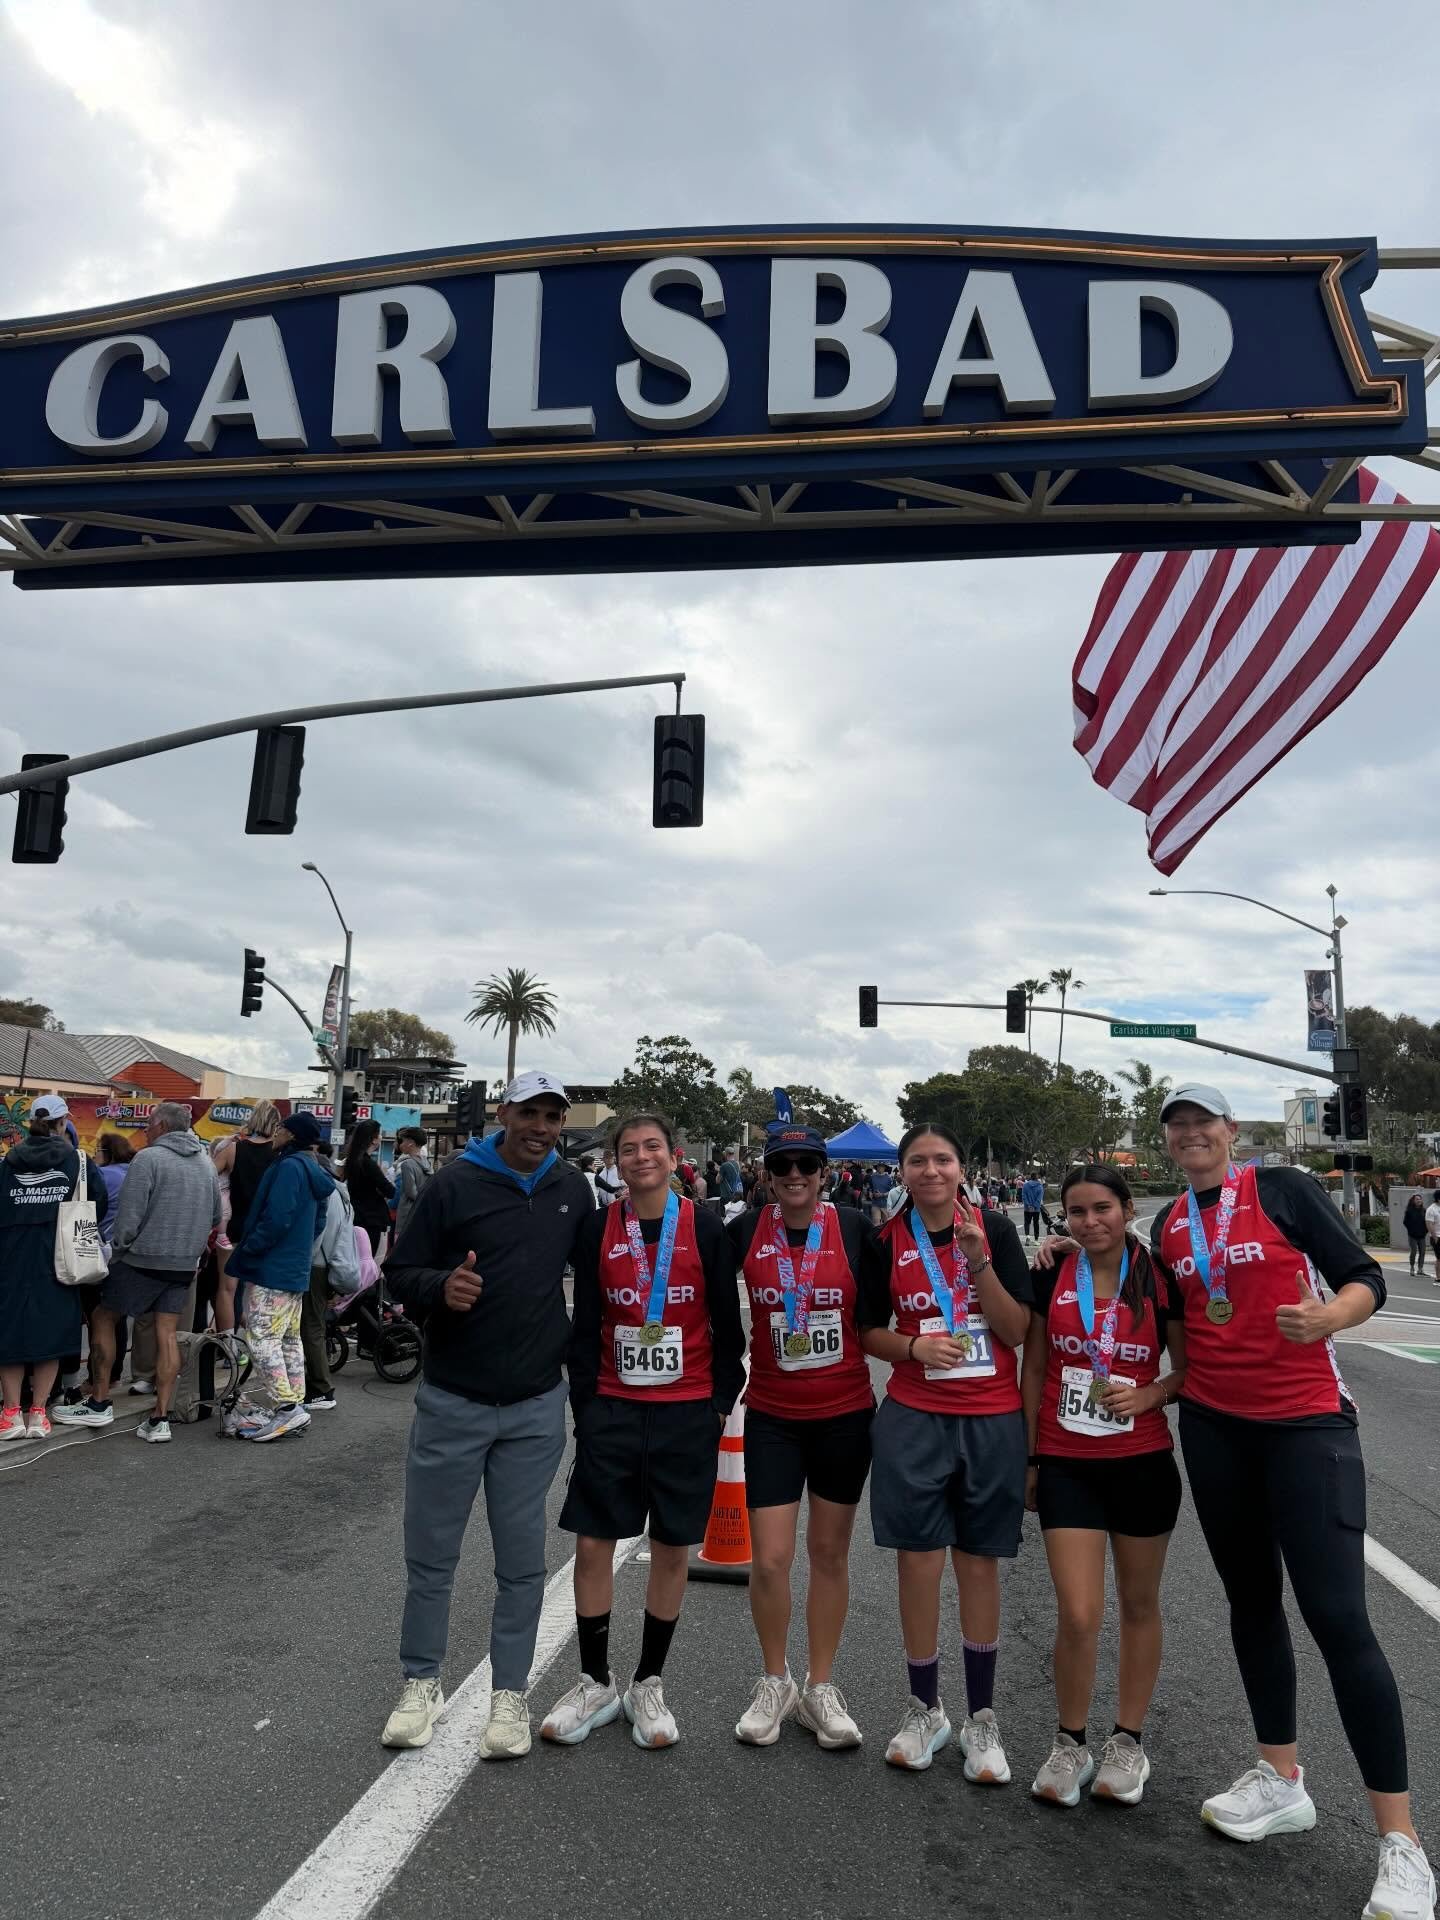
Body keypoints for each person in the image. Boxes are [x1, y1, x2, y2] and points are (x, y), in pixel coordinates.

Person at [1151, 1084, 1432, 1920]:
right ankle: (1281, 1778)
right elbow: (1172, 1318)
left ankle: (1403, 1842)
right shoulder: (1169, 1225)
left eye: (1205, 1121)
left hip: (1307, 1428)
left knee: (1340, 1619)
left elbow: (1358, 1276)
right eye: (1178, 1125)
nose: (1193, 1133)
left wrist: (1332, 1317)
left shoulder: (1282, 1189)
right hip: (1214, 1430)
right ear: (1167, 1142)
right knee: (1250, 1604)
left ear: (1232, 1131)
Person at [382, 1072, 593, 1760]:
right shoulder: (454, 1184)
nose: (540, 1127)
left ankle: (510, 1695)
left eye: (552, 1118)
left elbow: (595, 1284)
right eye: (529, 1113)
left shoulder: (571, 1190)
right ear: (504, 1114)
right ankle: (420, 1684)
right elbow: (401, 1273)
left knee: (521, 1562)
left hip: (534, 1404)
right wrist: (442, 1287)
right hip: (453, 1401)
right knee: (432, 1557)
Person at [542, 1112, 743, 1752]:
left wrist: (716, 1402)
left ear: (674, 1155)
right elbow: (587, 1323)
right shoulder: (600, 1227)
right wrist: (589, 1402)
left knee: (673, 1546)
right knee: (595, 1541)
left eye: (651, 1146)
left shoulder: (704, 1226)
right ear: (615, 1162)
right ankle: (594, 1679)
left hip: (687, 1411)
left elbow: (725, 1323)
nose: (640, 1157)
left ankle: (648, 1681)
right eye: (628, 1149)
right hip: (614, 1409)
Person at [859, 1122, 1032, 1778]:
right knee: (919, 1563)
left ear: (962, 1168)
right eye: (917, 1161)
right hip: (915, 1417)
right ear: (901, 1171)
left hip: (991, 1418)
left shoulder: (997, 1231)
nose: (931, 1171)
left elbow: (1015, 1328)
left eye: (943, 1160)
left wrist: (977, 1259)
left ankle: (981, 1719)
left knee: (980, 1563)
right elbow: (869, 1331)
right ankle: (923, 1707)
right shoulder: (885, 1242)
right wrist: (912, 1348)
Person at [1022, 1166, 1187, 1807]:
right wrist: (1031, 1459)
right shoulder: (1051, 1272)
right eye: (1077, 1212)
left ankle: (1128, 1743)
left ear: (1125, 1211)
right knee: (1079, 1612)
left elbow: (1188, 1369)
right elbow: (1035, 1364)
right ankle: (1069, 1744)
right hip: (1066, 1460)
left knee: (1139, 1606)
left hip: (1142, 1461)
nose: (1090, 1223)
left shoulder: (1159, 1276)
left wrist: (1151, 1392)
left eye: (1102, 1209)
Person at [728, 1125, 875, 1750]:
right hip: (773, 1415)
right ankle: (774, 1679)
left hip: (844, 1413)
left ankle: (820, 1686)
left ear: (825, 1171)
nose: (795, 1174)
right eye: (782, 1164)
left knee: (829, 1553)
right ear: (766, 1173)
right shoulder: (743, 1232)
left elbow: (935, 1255)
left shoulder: (856, 1229)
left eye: (807, 1163)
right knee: (770, 1557)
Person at [57, 1102, 220, 1443]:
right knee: (166, 1332)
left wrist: (113, 1250)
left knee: (103, 1317)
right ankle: (159, 1418)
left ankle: (99, 1402)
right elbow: (216, 1216)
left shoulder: (148, 1159)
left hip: (143, 1259)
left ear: (161, 1126)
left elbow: (128, 1221)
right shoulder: (205, 1162)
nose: (144, 1129)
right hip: (183, 1263)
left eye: (148, 1124)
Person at [0, 1095, 108, 1443]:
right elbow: (99, 1205)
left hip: (11, 1259)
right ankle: (39, 1414)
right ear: (63, 1123)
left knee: (10, 1334)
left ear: (30, 1122)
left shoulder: (9, 1161)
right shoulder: (78, 1160)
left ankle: (10, 1413)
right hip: (62, 1259)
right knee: (51, 1336)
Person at [227, 1110, 334, 1443]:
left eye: (279, 1129)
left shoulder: (289, 1167)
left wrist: (251, 1247)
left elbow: (277, 1218)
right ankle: (294, 1404)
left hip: (273, 1265)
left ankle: (287, 1408)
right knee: (288, 1337)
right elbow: (317, 1221)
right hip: (296, 1264)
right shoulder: (312, 1168)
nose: (274, 1133)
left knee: (261, 1336)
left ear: (291, 1135)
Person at [211, 1100, 281, 1331]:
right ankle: (259, 1341)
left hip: (234, 1228)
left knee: (226, 1289)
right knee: (261, 1289)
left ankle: (228, 1344)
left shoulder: (233, 1149)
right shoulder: (279, 1154)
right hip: (266, 1230)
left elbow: (207, 1175)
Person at [302, 1160, 360, 1411]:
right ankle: (315, 1385)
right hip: (330, 1266)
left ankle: (321, 1389)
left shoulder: (325, 1193)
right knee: (315, 1326)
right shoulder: (342, 1194)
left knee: (311, 1328)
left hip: (315, 1265)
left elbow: (318, 1232)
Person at [343, 1118, 395, 1257]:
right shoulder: (369, 1164)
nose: (381, 1137)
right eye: (379, 1134)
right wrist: (384, 1176)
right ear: (373, 1139)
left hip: (355, 1215)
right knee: (368, 1261)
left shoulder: (351, 1160)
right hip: (372, 1220)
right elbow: (390, 1191)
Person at [392, 1127, 432, 1242]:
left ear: (411, 1143)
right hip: (421, 1214)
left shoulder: (407, 1164)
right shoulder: (426, 1162)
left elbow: (410, 1192)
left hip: (406, 1215)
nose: (401, 1144)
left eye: (403, 1141)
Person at [1402, 1192, 1428, 1277]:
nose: (1419, 1200)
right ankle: (1412, 1267)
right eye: (1417, 1199)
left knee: (1423, 1252)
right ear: (1413, 1201)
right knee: (1413, 1252)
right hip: (1412, 1235)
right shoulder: (1409, 1211)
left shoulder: (1424, 1210)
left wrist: (1425, 1230)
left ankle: (1420, 1269)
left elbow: (1427, 1222)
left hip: (1422, 1235)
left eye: (1420, 1199)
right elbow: (1405, 1222)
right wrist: (1411, 1230)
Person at [1020, 1172, 1045, 1243]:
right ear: (1037, 1178)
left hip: (1027, 1208)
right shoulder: (1040, 1186)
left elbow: (1024, 1196)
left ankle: (1027, 1237)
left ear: (1031, 1177)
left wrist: (1028, 1205)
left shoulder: (1025, 1185)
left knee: (1027, 1222)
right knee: (1036, 1223)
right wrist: (1034, 1206)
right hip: (1036, 1209)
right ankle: (1036, 1240)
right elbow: (1039, 1198)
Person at [1426, 1191, 1440, 1286]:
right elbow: (1429, 1224)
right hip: (1437, 1236)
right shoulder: (1431, 1209)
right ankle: (1438, 1278)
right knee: (1439, 1258)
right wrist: (1435, 1237)